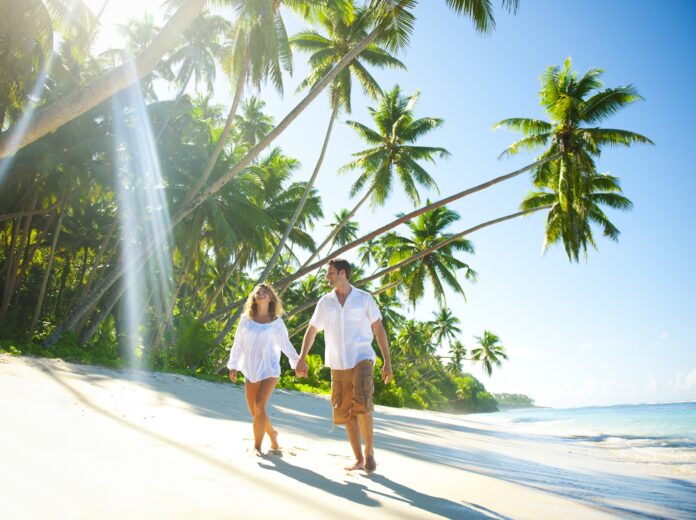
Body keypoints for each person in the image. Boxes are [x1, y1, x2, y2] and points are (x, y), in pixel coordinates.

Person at [296, 258, 392, 473]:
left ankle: (369, 453)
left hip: (362, 358)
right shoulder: (325, 302)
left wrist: (387, 361)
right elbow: (312, 330)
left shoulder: (364, 299)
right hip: (338, 363)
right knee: (346, 412)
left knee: (363, 405)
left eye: (330, 272)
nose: (327, 276)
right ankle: (358, 459)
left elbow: (378, 330)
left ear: (343, 274)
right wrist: (302, 357)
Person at [227, 283, 299, 456]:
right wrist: (233, 366)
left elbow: (285, 345)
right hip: (250, 369)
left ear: (271, 298)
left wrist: (298, 363)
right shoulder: (246, 320)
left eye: (265, 292)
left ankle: (257, 447)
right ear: (254, 298)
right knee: (255, 411)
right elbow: (237, 344)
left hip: (269, 369)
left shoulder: (276, 323)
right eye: (258, 292)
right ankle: (273, 434)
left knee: (259, 405)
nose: (261, 293)